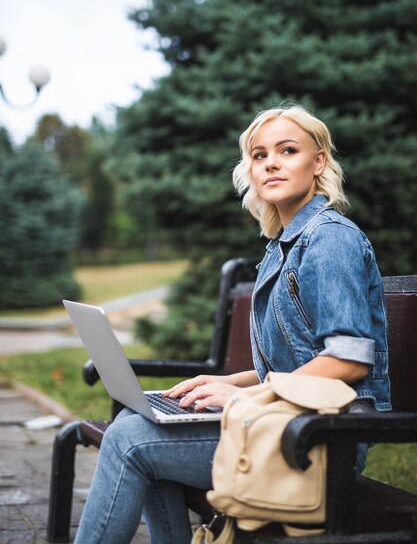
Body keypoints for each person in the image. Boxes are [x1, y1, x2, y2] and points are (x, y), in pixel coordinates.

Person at [74, 104, 390, 544]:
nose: (272, 163)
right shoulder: (282, 247)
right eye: (259, 155)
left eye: (287, 150)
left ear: (318, 162)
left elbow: (349, 360)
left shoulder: (330, 238)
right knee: (144, 421)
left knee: (129, 440)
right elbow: (292, 364)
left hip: (322, 438)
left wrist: (246, 394)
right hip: (282, 421)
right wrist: (224, 381)